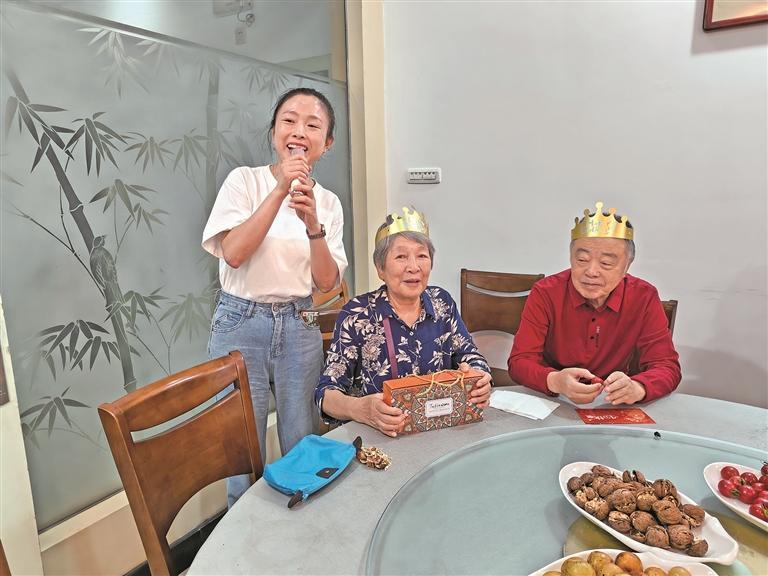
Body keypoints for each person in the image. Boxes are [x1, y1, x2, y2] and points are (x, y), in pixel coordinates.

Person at [202, 88, 347, 506]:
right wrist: (280, 188)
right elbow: (233, 253)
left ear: (327, 143)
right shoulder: (244, 181)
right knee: (241, 450)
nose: (299, 131)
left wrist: (314, 225)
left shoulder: (328, 203)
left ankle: (302, 530)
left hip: (299, 321)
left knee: (303, 440)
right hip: (240, 321)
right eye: (289, 120)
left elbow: (326, 283)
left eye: (313, 125)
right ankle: (244, 538)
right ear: (274, 133)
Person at [315, 207, 492, 436]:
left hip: (439, 432)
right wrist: (360, 409)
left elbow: (470, 355)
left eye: (422, 256)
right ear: (380, 268)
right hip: (378, 436)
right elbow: (325, 394)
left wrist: (479, 377)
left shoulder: (442, 303)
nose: (414, 267)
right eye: (401, 257)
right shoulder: (357, 315)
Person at [508, 202, 681, 406]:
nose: (591, 271)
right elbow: (519, 362)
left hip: (610, 401)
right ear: (571, 257)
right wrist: (555, 381)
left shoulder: (643, 296)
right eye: (582, 260)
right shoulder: (546, 292)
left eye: (606, 263)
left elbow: (667, 366)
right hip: (554, 400)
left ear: (627, 265)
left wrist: (637, 387)